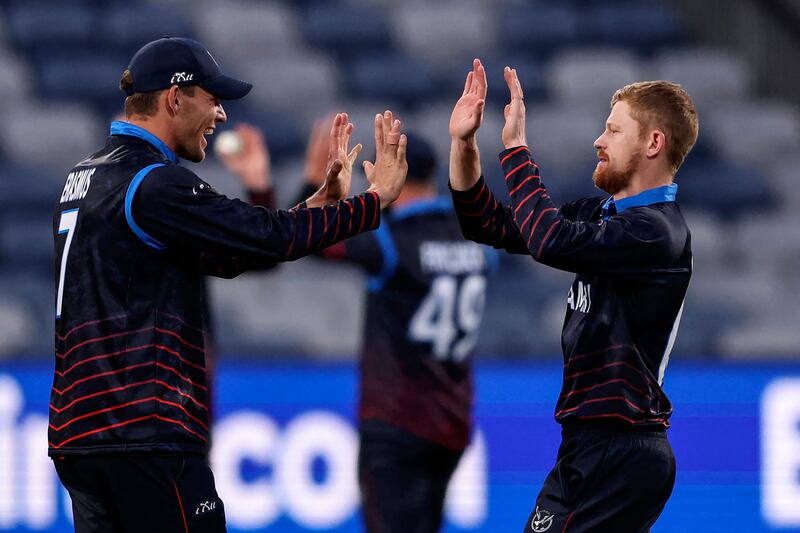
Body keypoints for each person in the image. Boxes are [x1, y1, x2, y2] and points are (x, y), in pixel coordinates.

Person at [49, 36, 407, 533]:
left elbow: (237, 253)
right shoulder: (154, 183)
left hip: (81, 438)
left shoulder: (83, 178)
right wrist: (375, 201)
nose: (220, 116)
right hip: (145, 433)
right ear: (175, 98)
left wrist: (318, 205)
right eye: (213, 99)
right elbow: (269, 239)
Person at [448, 59, 697, 532]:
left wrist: (517, 148)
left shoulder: (655, 231)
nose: (598, 142)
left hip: (619, 446)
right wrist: (464, 144)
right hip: (593, 445)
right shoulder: (603, 214)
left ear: (653, 143)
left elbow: (548, 241)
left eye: (613, 130)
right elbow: (488, 224)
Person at [227, 122, 492, 533]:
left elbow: (309, 241)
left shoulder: (391, 241)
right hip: (453, 422)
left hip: (396, 421)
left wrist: (314, 184)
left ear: (398, 170)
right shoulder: (474, 239)